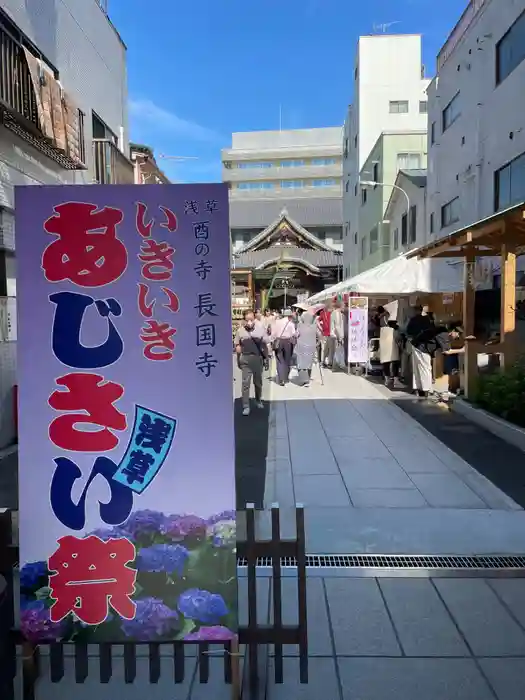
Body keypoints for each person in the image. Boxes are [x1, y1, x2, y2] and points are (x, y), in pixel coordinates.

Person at [234, 309, 269, 415]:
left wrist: (266, 358)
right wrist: (238, 355)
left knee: (258, 383)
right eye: (247, 320)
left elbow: (266, 344)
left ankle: (258, 400)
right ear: (244, 320)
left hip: (257, 359)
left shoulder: (260, 329)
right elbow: (237, 345)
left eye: (251, 319)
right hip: (245, 359)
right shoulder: (240, 331)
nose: (249, 322)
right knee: (245, 384)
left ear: (254, 319)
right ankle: (246, 406)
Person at [295, 308, 321, 387]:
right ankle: (308, 379)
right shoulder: (314, 326)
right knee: (309, 363)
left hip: (301, 346)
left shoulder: (300, 325)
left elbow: (296, 334)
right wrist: (318, 342)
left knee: (301, 363)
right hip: (311, 346)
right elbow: (319, 335)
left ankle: (303, 379)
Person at [270, 308, 296, 385]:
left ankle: (281, 378)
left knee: (279, 360)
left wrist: (271, 342)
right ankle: (285, 378)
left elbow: (273, 333)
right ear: (289, 316)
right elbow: (294, 334)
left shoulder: (277, 322)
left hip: (278, 341)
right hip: (288, 342)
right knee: (287, 360)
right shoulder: (291, 324)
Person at [378, 303, 401, 389]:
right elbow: (396, 329)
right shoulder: (390, 320)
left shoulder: (380, 319)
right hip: (391, 341)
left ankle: (387, 379)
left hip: (384, 341)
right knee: (395, 361)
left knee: (386, 361)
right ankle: (395, 380)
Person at [330, 301, 345, 370]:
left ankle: (337, 364)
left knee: (338, 350)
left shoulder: (337, 313)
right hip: (336, 335)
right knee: (337, 350)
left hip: (336, 335)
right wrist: (340, 337)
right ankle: (336, 365)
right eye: (344, 306)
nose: (344, 307)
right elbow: (337, 326)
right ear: (340, 306)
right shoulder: (336, 313)